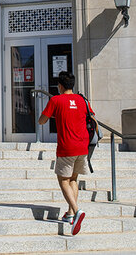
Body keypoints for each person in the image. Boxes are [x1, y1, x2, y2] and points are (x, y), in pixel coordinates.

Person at [38, 71, 92, 236]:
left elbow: (42, 120)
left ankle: (76, 211)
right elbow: (90, 117)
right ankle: (69, 214)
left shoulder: (56, 100)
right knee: (73, 179)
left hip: (66, 147)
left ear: (60, 86)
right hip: (83, 146)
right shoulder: (82, 100)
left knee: (63, 180)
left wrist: (53, 115)